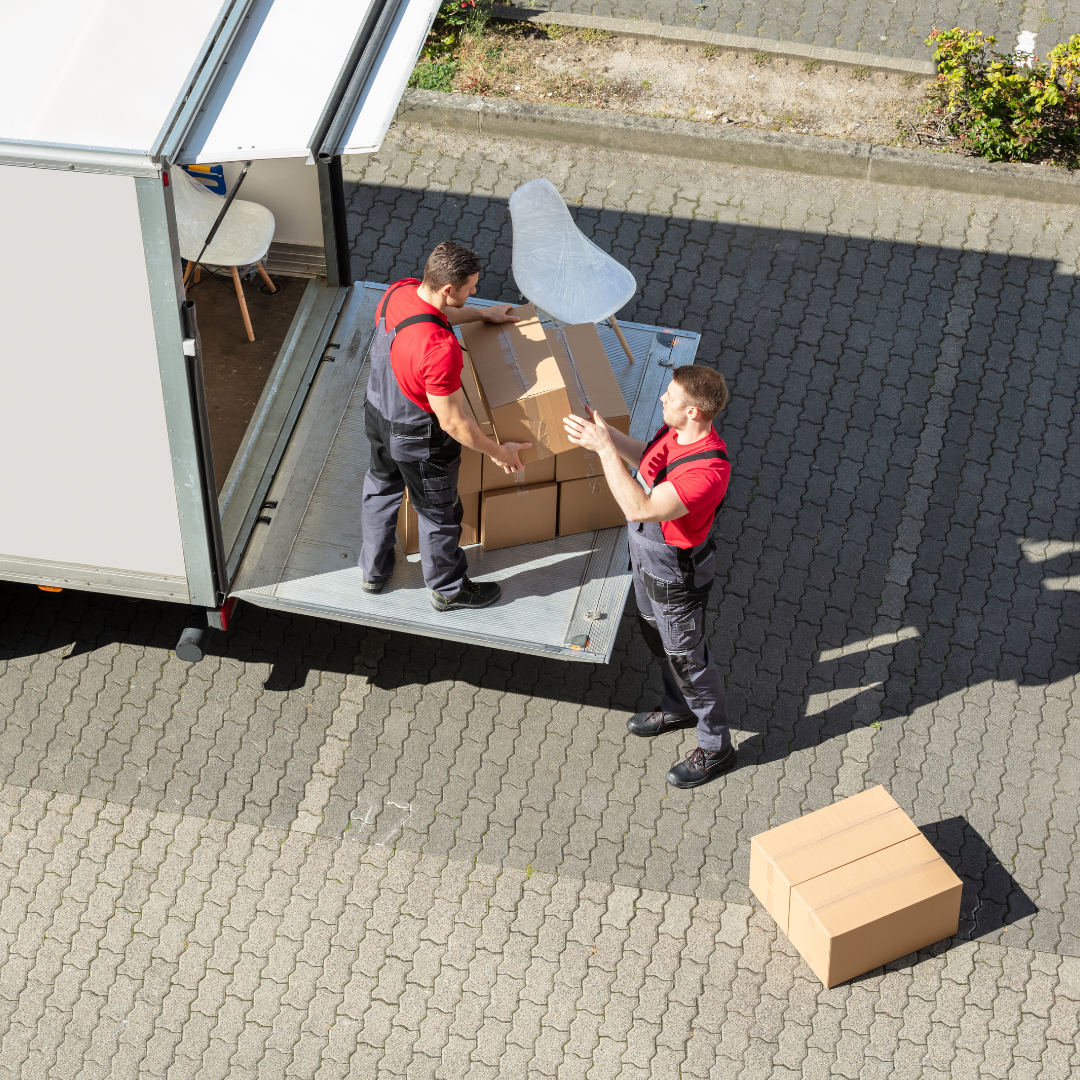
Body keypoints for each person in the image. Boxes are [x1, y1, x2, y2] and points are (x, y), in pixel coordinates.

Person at [563, 365, 734, 788]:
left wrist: (604, 451)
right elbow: (648, 462)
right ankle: (677, 707)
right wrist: (606, 434)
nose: (662, 399)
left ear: (693, 411)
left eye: (671, 395)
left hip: (674, 576)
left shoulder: (707, 472)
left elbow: (640, 507)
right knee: (656, 637)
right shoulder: (673, 433)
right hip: (645, 561)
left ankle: (716, 747)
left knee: (689, 661)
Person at [359, 241, 530, 611]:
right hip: (418, 440)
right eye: (471, 288)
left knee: (381, 487)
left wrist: (483, 315)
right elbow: (453, 422)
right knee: (439, 513)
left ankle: (373, 572)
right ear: (448, 288)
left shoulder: (398, 292)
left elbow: (429, 316)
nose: (475, 292)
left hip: (377, 413)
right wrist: (498, 451)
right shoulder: (440, 350)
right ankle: (449, 589)